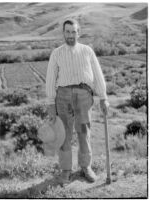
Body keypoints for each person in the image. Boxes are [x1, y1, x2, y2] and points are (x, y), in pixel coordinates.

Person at [45, 19, 109, 184]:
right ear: (63, 33)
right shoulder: (57, 53)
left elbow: (97, 74)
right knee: (63, 134)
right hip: (63, 96)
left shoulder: (87, 51)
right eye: (67, 31)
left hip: (83, 95)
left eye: (74, 32)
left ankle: (86, 167)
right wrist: (50, 104)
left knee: (83, 132)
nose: (71, 35)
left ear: (78, 33)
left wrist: (103, 98)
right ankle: (66, 170)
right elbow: (51, 79)